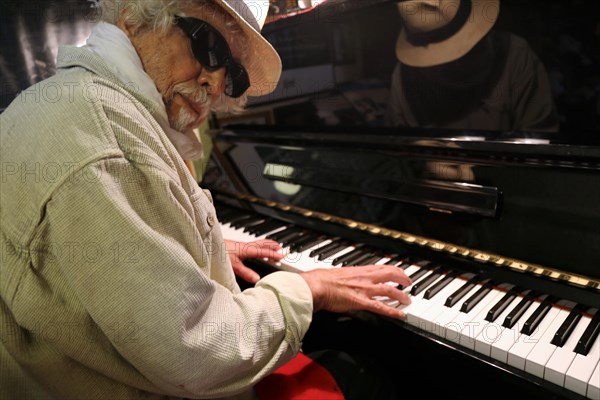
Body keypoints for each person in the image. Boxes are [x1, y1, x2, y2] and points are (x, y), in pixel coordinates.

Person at [0, 0, 413, 399]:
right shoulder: (108, 141)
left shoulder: (70, 103)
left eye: (233, 74)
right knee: (367, 374)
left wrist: (192, 244)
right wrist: (309, 289)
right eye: (209, 45)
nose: (216, 83)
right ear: (134, 15)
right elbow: (197, 354)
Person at [385, 0, 560, 133]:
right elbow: (396, 154)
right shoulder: (403, 78)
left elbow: (540, 143)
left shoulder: (515, 54)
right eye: (445, 61)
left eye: (466, 52)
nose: (458, 64)